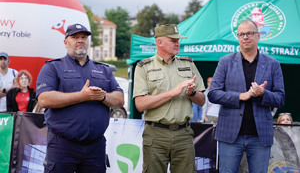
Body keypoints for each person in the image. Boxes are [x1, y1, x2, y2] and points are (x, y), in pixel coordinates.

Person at [36, 23, 124, 173]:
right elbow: (44, 99)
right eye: (75, 37)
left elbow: (120, 99)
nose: (80, 40)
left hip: (95, 147)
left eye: (84, 37)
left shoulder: (103, 69)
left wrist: (102, 96)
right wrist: (81, 96)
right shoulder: (53, 67)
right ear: (65, 42)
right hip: (62, 146)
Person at [208, 19, 285, 173]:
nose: (245, 37)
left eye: (250, 33)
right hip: (230, 135)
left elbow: (280, 98)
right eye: (241, 34)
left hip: (259, 136)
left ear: (258, 36)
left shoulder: (273, 64)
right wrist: (239, 96)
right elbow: (213, 93)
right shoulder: (225, 62)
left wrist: (263, 93)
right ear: (238, 38)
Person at [133, 24, 206, 173]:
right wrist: (173, 92)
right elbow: (140, 104)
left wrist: (192, 93)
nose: (177, 43)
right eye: (173, 40)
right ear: (159, 42)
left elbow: (202, 100)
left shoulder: (188, 64)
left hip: (183, 134)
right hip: (156, 135)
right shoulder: (143, 67)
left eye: (178, 40)